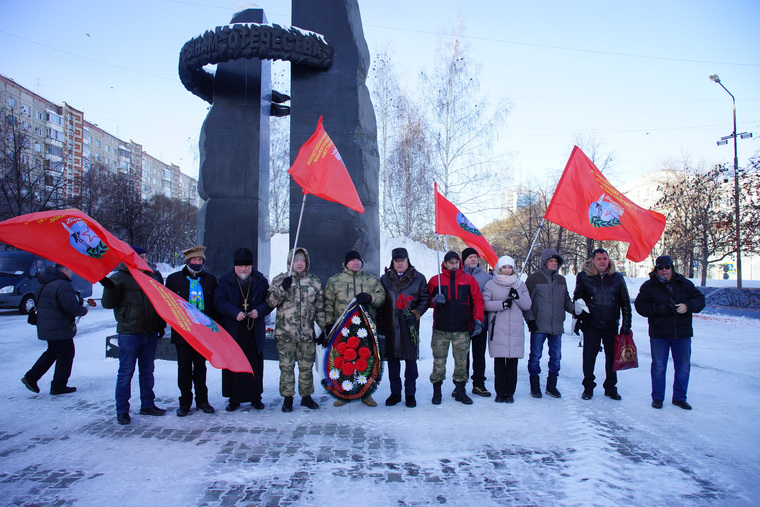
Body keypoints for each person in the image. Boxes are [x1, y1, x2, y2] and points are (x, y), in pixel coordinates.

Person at [102, 246, 167, 425]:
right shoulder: (119, 277)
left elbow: (160, 302)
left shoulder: (152, 275)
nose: (144, 260)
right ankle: (122, 410)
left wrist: (160, 324)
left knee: (147, 371)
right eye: (140, 257)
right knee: (125, 373)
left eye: (145, 257)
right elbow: (108, 304)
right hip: (130, 332)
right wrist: (109, 288)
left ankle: (147, 404)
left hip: (150, 331)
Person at [634, 255, 705, 410]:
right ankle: (658, 397)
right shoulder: (649, 286)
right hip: (659, 333)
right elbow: (640, 306)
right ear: (656, 269)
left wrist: (688, 306)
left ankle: (680, 398)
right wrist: (657, 310)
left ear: (672, 267)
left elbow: (700, 300)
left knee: (683, 366)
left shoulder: (684, 284)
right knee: (659, 366)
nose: (664, 270)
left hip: (682, 333)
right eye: (660, 267)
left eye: (667, 267)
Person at [324, 249, 386, 408]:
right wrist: (330, 324)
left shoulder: (371, 280)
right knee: (343, 362)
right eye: (352, 260)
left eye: (358, 260)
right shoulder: (335, 281)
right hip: (343, 330)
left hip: (365, 330)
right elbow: (328, 304)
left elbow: (381, 298)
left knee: (365, 362)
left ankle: (366, 394)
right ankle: (344, 394)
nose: (356, 262)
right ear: (346, 263)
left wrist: (371, 298)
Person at [267, 248, 326, 413]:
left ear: (306, 262)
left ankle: (306, 397)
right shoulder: (280, 280)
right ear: (290, 262)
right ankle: (288, 398)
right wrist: (282, 289)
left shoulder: (314, 282)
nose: (299, 263)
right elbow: (271, 302)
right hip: (286, 334)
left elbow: (320, 308)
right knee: (287, 367)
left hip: (307, 334)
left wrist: (322, 329)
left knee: (306, 367)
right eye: (296, 260)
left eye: (302, 260)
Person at [214, 247, 273, 412]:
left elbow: (269, 302)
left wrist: (258, 311)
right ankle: (234, 399)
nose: (243, 269)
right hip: (233, 329)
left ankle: (255, 397)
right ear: (234, 267)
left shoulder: (260, 280)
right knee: (234, 364)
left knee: (254, 365)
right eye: (240, 266)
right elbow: (219, 301)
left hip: (253, 331)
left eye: (247, 266)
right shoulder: (225, 281)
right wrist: (235, 312)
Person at [165, 245, 217, 416]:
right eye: (194, 260)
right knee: (184, 368)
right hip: (183, 332)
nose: (197, 262)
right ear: (188, 261)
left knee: (201, 368)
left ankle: (202, 400)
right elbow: (168, 305)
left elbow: (214, 306)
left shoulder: (210, 280)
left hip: (202, 332)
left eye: (200, 260)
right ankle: (185, 402)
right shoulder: (174, 280)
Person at [574, 248, 632, 401]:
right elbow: (577, 300)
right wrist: (577, 320)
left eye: (604, 259)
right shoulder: (583, 277)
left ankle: (611, 387)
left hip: (611, 325)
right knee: (589, 358)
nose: (602, 262)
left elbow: (625, 302)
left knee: (612, 358)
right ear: (592, 260)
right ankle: (588, 387)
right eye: (599, 259)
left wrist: (626, 324)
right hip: (591, 324)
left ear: (608, 260)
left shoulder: (617, 277)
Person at [21, 263, 88, 395]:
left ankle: (31, 377)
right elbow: (70, 307)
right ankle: (58, 386)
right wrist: (83, 310)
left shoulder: (44, 281)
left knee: (52, 352)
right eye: (70, 271)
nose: (71, 274)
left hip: (46, 324)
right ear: (64, 270)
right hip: (59, 326)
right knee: (66, 354)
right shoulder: (62, 284)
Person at [427, 250, 484, 405]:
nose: (453, 265)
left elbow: (478, 300)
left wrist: (478, 320)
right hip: (441, 329)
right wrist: (434, 301)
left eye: (456, 262)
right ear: (444, 264)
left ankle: (460, 391)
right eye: (450, 262)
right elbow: (425, 300)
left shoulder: (469, 280)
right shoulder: (435, 280)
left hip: (462, 329)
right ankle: (437, 391)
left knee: (461, 362)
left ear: (459, 263)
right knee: (439, 361)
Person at [377, 247, 429, 408]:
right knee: (393, 361)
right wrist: (381, 323)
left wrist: (415, 314)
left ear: (408, 261)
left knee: (410, 362)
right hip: (391, 326)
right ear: (392, 262)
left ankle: (410, 394)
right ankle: (395, 393)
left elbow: (425, 299)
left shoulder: (419, 278)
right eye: (396, 261)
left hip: (409, 326)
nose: (399, 264)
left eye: (402, 260)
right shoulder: (385, 279)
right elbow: (380, 303)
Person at [523, 248, 574, 399]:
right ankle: (535, 386)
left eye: (556, 261)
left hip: (557, 325)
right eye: (551, 261)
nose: (553, 263)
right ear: (544, 262)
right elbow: (527, 302)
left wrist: (576, 310)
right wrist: (530, 319)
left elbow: (566, 301)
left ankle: (552, 385)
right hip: (539, 325)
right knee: (535, 356)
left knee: (556, 356)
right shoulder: (534, 279)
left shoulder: (561, 280)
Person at [482, 256, 531, 403]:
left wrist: (517, 297)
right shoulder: (491, 284)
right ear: (499, 268)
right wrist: (502, 305)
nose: (507, 270)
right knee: (499, 363)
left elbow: (527, 304)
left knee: (512, 364)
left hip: (515, 330)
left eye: (510, 267)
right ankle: (499, 392)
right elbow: (484, 304)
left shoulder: (520, 285)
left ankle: (510, 393)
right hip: (498, 329)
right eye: (504, 267)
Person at [461, 247, 493, 397]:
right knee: (462, 355)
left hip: (480, 322)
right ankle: (460, 384)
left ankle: (479, 384)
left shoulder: (487, 277)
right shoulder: (459, 275)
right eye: (470, 257)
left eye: (475, 257)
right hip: (462, 322)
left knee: (479, 355)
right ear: (464, 260)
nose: (473, 259)